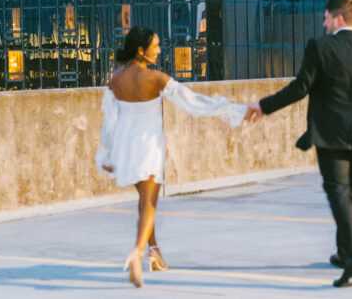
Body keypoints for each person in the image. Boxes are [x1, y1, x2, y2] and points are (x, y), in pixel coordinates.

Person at [245, 0, 352, 288]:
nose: (323, 23)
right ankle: (347, 251)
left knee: (338, 192)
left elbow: (300, 87)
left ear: (338, 19)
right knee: (349, 191)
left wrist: (263, 106)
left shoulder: (320, 47)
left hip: (331, 134)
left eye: (326, 18)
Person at [95, 26, 248, 288]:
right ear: (141, 51)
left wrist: (107, 153)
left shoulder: (116, 79)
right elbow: (192, 101)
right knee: (149, 204)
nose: (159, 49)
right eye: (155, 46)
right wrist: (227, 108)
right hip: (149, 147)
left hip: (124, 147)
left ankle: (154, 252)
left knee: (145, 201)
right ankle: (137, 253)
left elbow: (110, 121)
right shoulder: (155, 78)